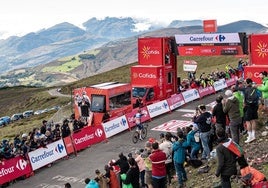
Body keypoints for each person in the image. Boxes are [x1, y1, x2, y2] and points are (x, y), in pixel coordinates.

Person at [243, 78, 259, 143]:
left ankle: (250, 136)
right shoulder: (254, 87)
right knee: (253, 120)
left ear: (247, 83)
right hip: (255, 106)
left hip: (249, 106)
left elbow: (245, 99)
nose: (244, 83)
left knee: (248, 121)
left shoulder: (246, 89)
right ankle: (253, 135)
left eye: (245, 82)